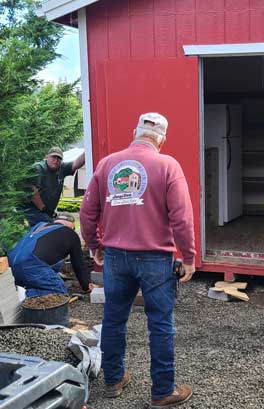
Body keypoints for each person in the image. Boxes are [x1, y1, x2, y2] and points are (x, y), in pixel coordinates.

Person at [80, 112, 196, 406]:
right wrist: (190, 256)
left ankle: (113, 380)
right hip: (156, 257)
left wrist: (95, 245)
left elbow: (87, 212)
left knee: (114, 319)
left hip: (116, 257)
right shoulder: (168, 165)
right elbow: (181, 217)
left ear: (135, 132)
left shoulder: (107, 165)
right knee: (160, 324)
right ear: (162, 138)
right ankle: (162, 392)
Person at [8, 213, 93, 298]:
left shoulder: (40, 226)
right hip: (32, 264)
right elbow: (78, 264)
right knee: (57, 295)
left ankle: (31, 306)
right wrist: (86, 286)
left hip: (14, 263)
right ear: (72, 226)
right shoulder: (70, 234)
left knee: (36, 292)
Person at [24, 147, 85, 227]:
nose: (56, 160)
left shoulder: (61, 168)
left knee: (59, 225)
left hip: (46, 211)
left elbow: (75, 164)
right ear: (47, 157)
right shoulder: (38, 168)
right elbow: (32, 192)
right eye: (53, 157)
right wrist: (45, 210)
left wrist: (89, 149)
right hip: (32, 209)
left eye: (59, 158)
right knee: (50, 227)